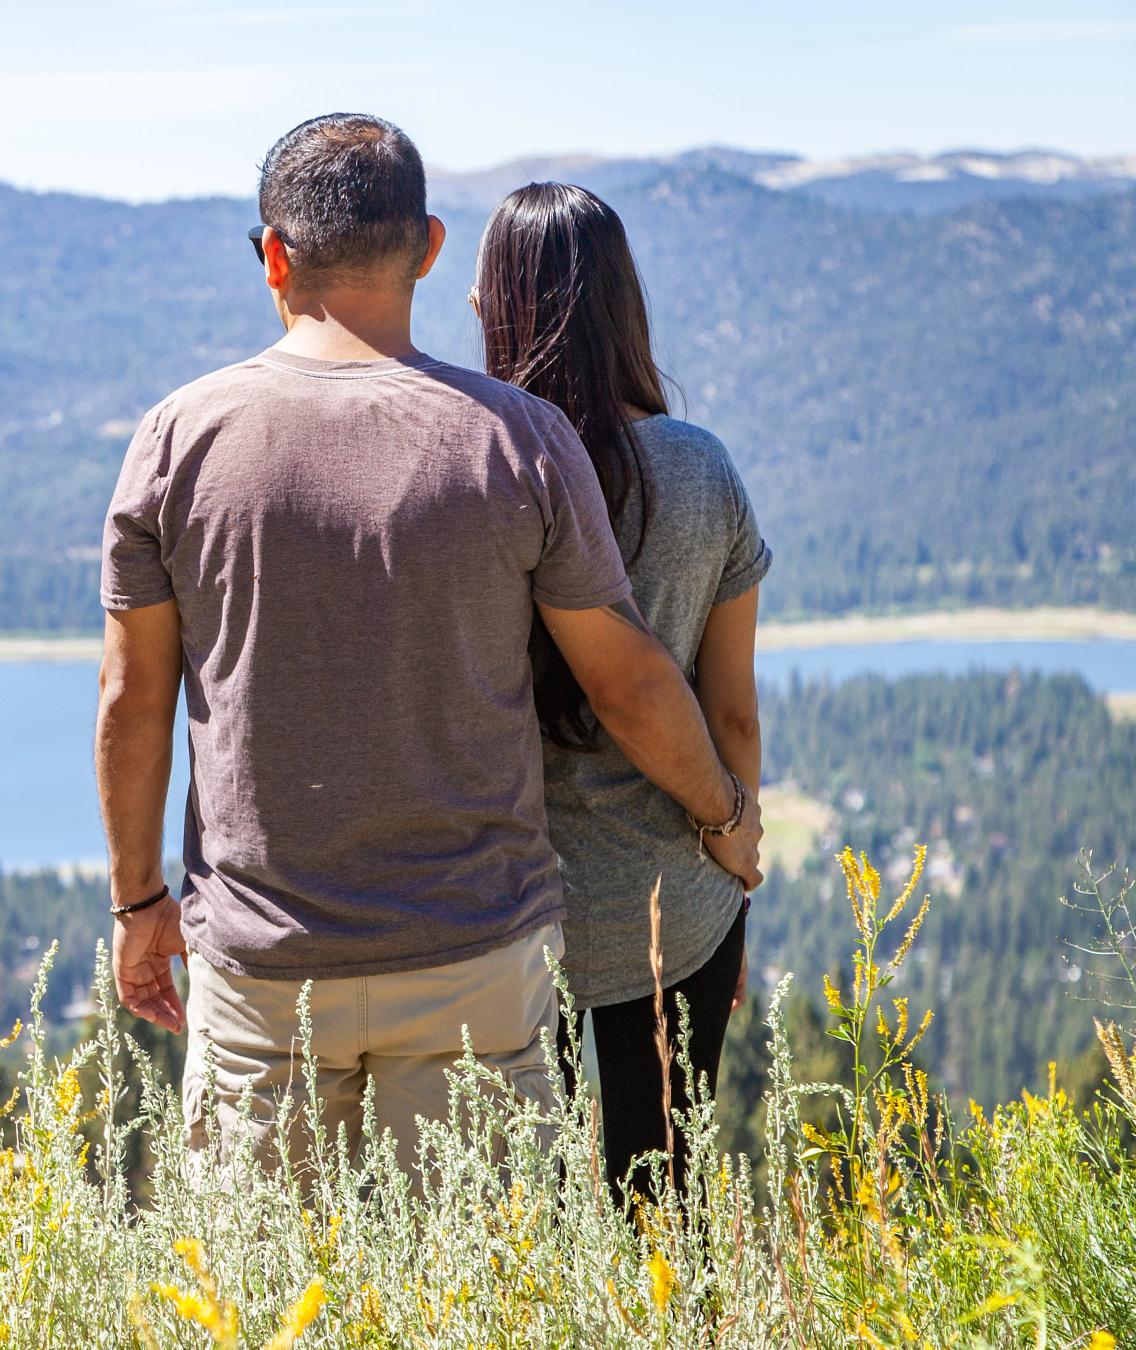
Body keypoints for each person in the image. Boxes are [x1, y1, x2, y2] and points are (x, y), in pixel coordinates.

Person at [93, 113, 763, 1180]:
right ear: (430, 247)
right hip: (476, 961)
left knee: (268, 1300)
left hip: (269, 966)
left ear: (273, 254)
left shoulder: (180, 437)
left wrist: (138, 905)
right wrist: (727, 818)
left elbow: (133, 699)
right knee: (479, 1295)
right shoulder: (518, 439)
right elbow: (628, 681)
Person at [473, 181, 771, 1202]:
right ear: (624, 302)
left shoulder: (483, 469)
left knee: (520, 1222)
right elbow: (730, 709)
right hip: (674, 901)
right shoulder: (699, 470)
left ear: (502, 304)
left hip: (506, 918)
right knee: (666, 1205)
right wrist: (736, 847)